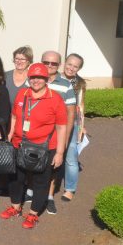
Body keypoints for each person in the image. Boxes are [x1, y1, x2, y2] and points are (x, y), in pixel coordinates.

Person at [0, 63, 67, 229]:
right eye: (33, 77)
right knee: (15, 178)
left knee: (40, 181)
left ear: (46, 79)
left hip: (44, 148)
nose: (36, 81)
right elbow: (14, 116)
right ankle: (16, 207)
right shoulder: (22, 94)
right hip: (19, 144)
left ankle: (33, 214)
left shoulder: (55, 98)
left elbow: (61, 127)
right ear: (28, 78)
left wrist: (59, 152)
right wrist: (10, 134)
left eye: (40, 77)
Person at [40, 50, 77, 215]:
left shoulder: (66, 84)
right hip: (37, 130)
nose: (49, 66)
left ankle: (49, 196)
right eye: (46, 62)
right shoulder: (33, 78)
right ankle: (32, 191)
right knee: (33, 160)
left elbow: (71, 113)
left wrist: (66, 138)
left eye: (53, 63)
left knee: (54, 165)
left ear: (59, 65)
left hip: (56, 132)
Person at [61, 53, 87, 202]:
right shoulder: (54, 78)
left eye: (75, 66)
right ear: (65, 63)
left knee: (71, 157)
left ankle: (70, 189)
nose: (71, 68)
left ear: (79, 68)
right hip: (53, 121)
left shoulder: (80, 84)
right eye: (69, 64)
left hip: (73, 122)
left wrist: (82, 127)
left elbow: (80, 107)